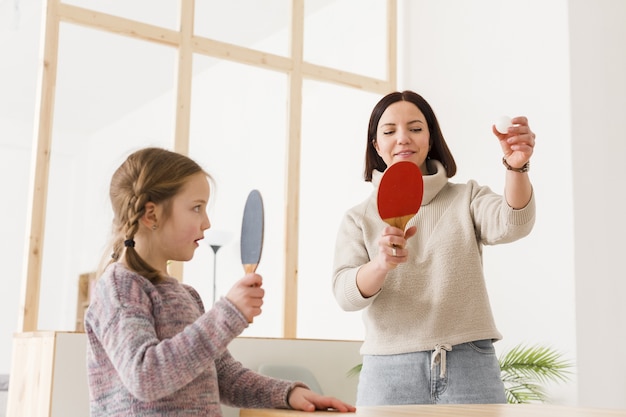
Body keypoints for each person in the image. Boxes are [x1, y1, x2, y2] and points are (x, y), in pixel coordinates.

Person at [85, 147, 356, 416]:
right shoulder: (120, 287)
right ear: (151, 214)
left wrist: (287, 394)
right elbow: (144, 376)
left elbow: (224, 376)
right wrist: (227, 314)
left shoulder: (187, 295)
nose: (206, 222)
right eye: (196, 208)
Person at [332, 90, 536, 406]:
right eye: (389, 131)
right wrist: (381, 264)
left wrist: (516, 168)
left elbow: (514, 222)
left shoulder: (466, 197)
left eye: (415, 128)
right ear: (376, 145)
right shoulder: (358, 218)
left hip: (470, 363)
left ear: (430, 139)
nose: (403, 139)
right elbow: (345, 294)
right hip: (388, 370)